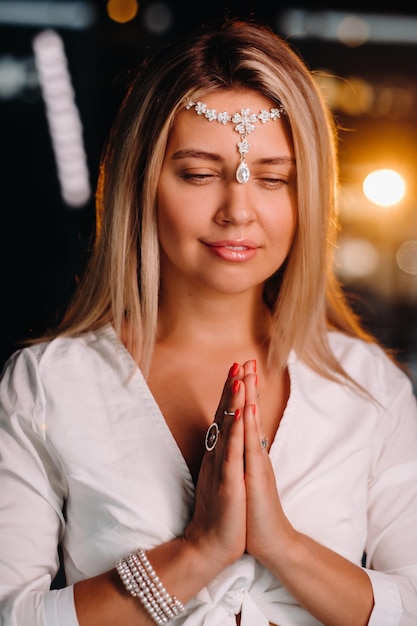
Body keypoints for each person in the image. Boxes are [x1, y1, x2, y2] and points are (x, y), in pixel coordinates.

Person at [0, 16, 416, 626]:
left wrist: (284, 546)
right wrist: (198, 551)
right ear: (143, 184)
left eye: (273, 179)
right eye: (198, 174)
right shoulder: (47, 384)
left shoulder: (369, 388)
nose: (239, 211)